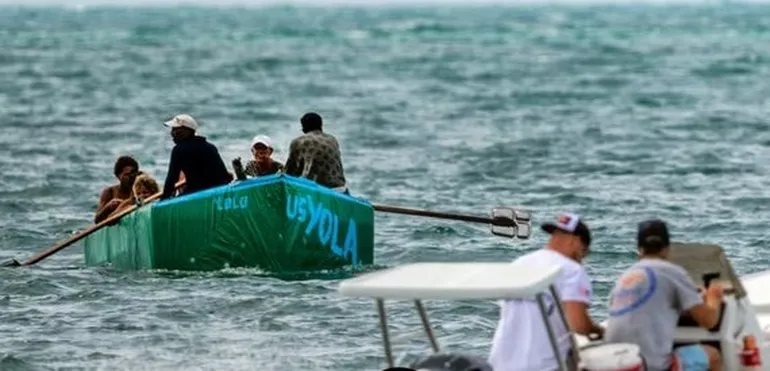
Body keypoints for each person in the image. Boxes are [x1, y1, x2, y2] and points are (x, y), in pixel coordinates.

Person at [488, 213, 604, 371]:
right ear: (576, 242)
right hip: (543, 365)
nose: (582, 257)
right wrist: (598, 330)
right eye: (585, 252)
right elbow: (578, 325)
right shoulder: (572, 271)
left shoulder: (519, 263)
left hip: (500, 363)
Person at [604, 219, 724, 371]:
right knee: (713, 356)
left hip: (615, 364)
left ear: (640, 250)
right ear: (667, 248)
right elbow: (709, 321)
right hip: (651, 367)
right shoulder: (673, 272)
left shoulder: (624, 278)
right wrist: (714, 297)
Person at [160, 114, 233, 200]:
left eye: (176, 130)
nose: (172, 134)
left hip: (197, 195)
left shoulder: (179, 150)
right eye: (172, 130)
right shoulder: (211, 147)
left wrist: (163, 200)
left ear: (187, 131)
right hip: (218, 194)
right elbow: (224, 176)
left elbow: (171, 179)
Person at [284, 112, 347, 192]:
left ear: (304, 127)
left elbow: (290, 172)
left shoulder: (299, 141)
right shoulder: (332, 139)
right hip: (340, 188)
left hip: (317, 190)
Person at [94, 156, 140, 223]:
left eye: (133, 174)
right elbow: (97, 220)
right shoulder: (110, 192)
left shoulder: (141, 190)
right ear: (118, 176)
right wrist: (108, 207)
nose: (131, 178)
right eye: (127, 175)